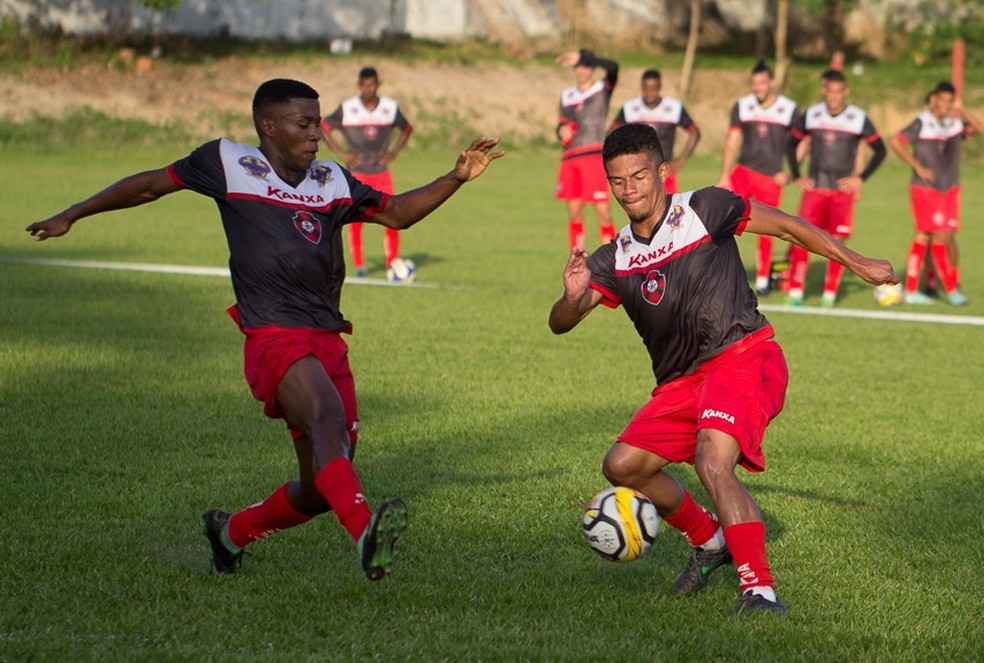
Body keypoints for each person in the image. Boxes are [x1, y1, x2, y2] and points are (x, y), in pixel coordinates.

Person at [25, 78, 504, 580]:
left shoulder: (332, 179)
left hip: (327, 336)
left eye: (318, 123)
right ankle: (366, 534)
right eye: (304, 124)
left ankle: (229, 532)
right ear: (268, 125)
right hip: (273, 334)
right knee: (326, 423)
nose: (317, 133)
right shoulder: (228, 163)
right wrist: (74, 213)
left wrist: (456, 177)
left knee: (320, 486)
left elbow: (399, 214)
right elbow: (148, 185)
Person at [549, 123, 897, 615]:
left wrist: (857, 261)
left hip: (744, 356)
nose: (629, 191)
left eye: (640, 176)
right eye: (618, 181)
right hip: (682, 383)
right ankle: (710, 540)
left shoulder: (705, 208)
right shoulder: (615, 256)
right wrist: (570, 297)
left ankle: (760, 592)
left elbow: (785, 226)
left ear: (662, 172)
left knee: (714, 464)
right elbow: (561, 323)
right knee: (623, 466)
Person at [785, 69, 887, 307]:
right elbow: (791, 145)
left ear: (846, 92)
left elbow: (880, 150)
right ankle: (796, 291)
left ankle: (830, 293)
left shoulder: (858, 118)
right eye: (830, 91)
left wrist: (860, 178)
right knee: (801, 237)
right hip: (815, 190)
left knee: (837, 243)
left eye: (838, 92)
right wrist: (798, 175)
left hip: (842, 193)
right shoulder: (811, 114)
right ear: (824, 90)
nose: (834, 96)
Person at [888, 81, 982, 306]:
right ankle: (950, 290)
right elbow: (896, 141)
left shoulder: (953, 124)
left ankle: (913, 288)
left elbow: (979, 129)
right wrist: (917, 166)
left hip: (948, 188)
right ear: (933, 99)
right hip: (925, 188)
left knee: (930, 235)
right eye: (942, 99)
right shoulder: (923, 122)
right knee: (937, 234)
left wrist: (963, 109)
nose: (945, 104)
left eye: (950, 101)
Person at [321, 66, 413, 279]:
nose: (367, 89)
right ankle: (360, 265)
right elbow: (324, 127)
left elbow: (407, 128)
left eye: (371, 84)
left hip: (381, 172)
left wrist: (393, 152)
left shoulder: (389, 108)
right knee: (356, 220)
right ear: (359, 86)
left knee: (394, 215)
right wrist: (342, 152)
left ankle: (392, 263)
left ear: (378, 85)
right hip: (358, 173)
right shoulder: (349, 107)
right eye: (364, 85)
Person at [716, 61, 799, 296]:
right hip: (743, 172)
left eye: (762, 83)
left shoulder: (788, 108)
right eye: (754, 83)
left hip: (770, 178)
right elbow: (732, 139)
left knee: (766, 227)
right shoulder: (743, 106)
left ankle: (762, 279)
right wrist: (725, 174)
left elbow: (801, 143)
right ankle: (719, 275)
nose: (758, 88)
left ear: (771, 82)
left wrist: (791, 172)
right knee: (723, 219)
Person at [555, 48, 619, 250]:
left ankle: (611, 258)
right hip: (571, 157)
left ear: (592, 68)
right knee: (574, 211)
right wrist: (561, 130)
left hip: (593, 155)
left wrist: (586, 57)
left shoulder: (602, 89)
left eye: (587, 66)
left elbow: (613, 67)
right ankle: (577, 257)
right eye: (579, 66)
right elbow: (563, 122)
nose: (583, 71)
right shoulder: (567, 95)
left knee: (602, 211)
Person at [612, 69, 701, 196]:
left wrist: (681, 160)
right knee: (639, 213)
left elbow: (695, 132)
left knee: (669, 212)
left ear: (660, 87)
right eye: (646, 88)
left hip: (664, 171)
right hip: (637, 173)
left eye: (653, 88)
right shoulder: (630, 108)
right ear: (642, 87)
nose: (650, 92)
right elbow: (612, 134)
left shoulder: (673, 108)